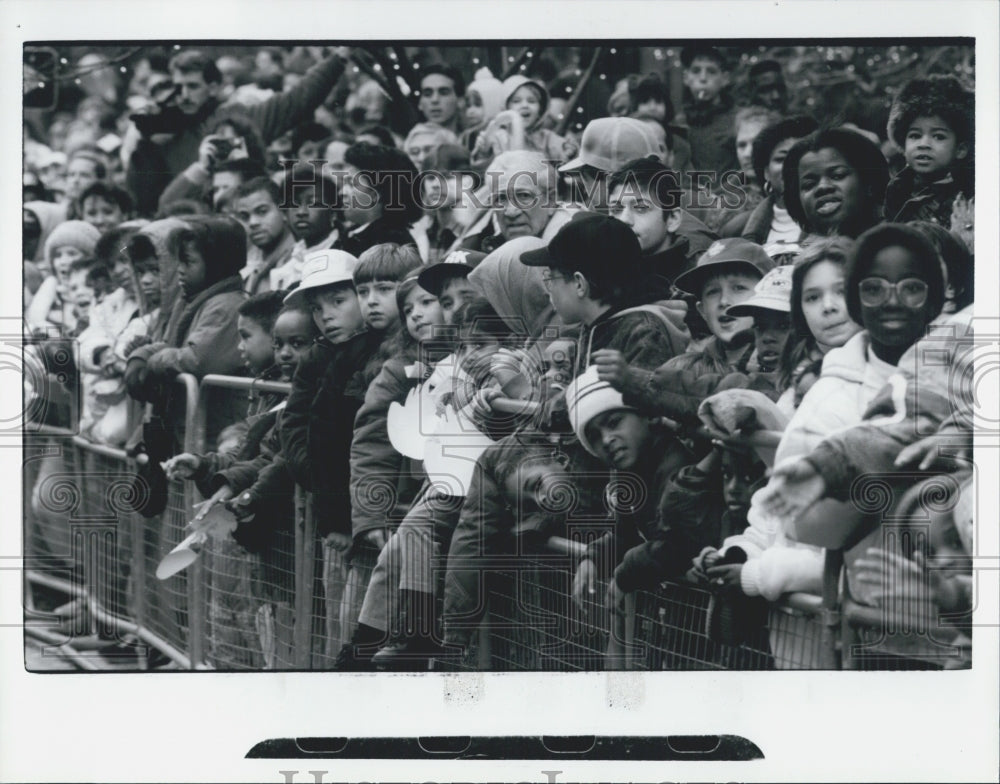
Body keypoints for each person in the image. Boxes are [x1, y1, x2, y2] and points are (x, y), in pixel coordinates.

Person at [703, 224, 946, 667]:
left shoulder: (940, 386)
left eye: (910, 288)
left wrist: (761, 574)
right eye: (812, 297)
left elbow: (849, 535)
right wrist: (745, 549)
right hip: (806, 623)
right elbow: (782, 504)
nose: (829, 307)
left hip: (884, 628)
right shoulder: (816, 389)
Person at [161, 290, 288, 669]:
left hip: (271, 533)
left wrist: (231, 486)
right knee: (238, 615)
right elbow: (246, 452)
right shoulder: (263, 390)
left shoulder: (284, 393)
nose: (239, 346)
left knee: (271, 630)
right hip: (245, 525)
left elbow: (266, 458)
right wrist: (203, 465)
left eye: (246, 336)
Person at [563, 366, 693, 669]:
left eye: (614, 422)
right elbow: (626, 533)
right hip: (669, 611)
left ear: (646, 415)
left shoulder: (675, 464)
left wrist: (626, 572)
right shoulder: (626, 471)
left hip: (697, 612)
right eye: (595, 436)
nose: (607, 439)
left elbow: (680, 542)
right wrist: (593, 558)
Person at [126, 48, 349, 213]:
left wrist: (338, 59)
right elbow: (148, 201)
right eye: (178, 86)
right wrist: (144, 142)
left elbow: (298, 100)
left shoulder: (237, 117)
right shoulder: (164, 132)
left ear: (213, 87)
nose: (184, 95)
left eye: (192, 86)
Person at [519, 212, 691, 377]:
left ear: (579, 284)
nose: (549, 290)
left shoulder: (644, 335)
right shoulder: (597, 325)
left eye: (551, 278)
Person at [777, 237, 863, 412]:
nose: (828, 306)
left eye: (842, 291)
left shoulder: (902, 365)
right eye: (813, 297)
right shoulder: (797, 385)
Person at [719, 115, 819, 255]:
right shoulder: (735, 230)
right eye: (781, 159)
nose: (790, 166)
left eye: (798, 156)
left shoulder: (834, 220)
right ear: (766, 172)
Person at [884, 75, 974, 225]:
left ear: (961, 149)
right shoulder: (896, 191)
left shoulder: (970, 193)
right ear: (903, 143)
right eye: (915, 135)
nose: (923, 144)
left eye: (938, 137)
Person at [782, 126, 890, 241]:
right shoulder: (796, 256)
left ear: (869, 183)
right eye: (809, 184)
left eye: (837, 176)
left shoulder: (900, 245)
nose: (822, 187)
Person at [460, 150, 573, 254]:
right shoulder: (484, 244)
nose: (511, 212)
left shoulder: (574, 244)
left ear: (551, 200)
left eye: (523, 196)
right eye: (501, 198)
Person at [338, 142, 423, 257]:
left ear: (376, 194)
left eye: (352, 184)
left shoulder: (393, 247)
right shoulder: (352, 235)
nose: (342, 192)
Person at [25, 220, 102, 336]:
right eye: (58, 255)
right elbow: (35, 318)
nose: (62, 261)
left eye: (72, 254)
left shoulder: (99, 287)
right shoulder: (53, 285)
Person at [679, 45, 739, 178]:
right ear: (686, 78)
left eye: (711, 71)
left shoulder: (738, 120)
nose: (703, 78)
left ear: (725, 79)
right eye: (696, 71)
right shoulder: (678, 122)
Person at [231, 177, 297, 295]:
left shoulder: (299, 262)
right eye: (245, 216)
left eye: (262, 211)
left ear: (284, 211)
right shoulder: (249, 266)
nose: (253, 222)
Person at [417, 63, 464, 135]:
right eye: (427, 94)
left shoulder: (475, 142)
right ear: (420, 104)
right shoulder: (412, 144)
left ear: (460, 101)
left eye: (444, 93)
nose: (434, 100)